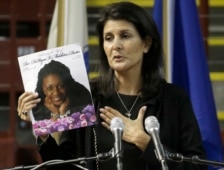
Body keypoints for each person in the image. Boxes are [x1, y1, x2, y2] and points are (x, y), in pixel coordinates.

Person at [17, 2, 207, 170]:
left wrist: (144, 141)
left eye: (125, 36)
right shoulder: (89, 96)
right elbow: (66, 165)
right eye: (108, 38)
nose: (116, 45)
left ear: (146, 44)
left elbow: (198, 166)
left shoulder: (173, 98)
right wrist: (43, 133)